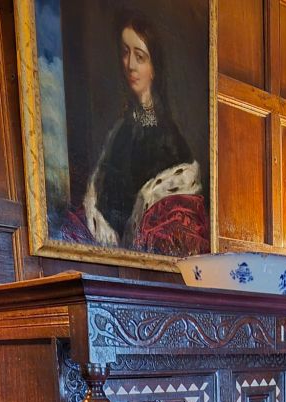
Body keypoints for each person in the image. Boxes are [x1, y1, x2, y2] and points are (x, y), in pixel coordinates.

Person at [83, 9, 209, 256]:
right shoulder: (120, 131)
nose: (130, 65)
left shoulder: (168, 138)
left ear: (154, 68)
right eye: (125, 53)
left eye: (139, 57)